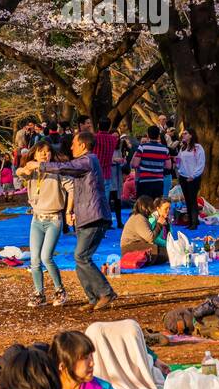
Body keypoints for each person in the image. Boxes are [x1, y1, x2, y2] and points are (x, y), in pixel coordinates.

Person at [32, 130, 116, 310]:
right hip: (86, 217)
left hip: (95, 217)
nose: (71, 147)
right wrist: (71, 212)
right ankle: (93, 298)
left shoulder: (88, 160)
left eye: (74, 144)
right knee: (80, 259)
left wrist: (41, 165)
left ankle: (106, 292)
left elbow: (65, 167)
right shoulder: (85, 162)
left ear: (83, 145)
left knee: (81, 256)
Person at [15, 138, 72, 307]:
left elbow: (72, 189)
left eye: (47, 152)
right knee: (34, 259)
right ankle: (38, 293)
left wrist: (69, 211)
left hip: (54, 219)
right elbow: (19, 172)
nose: (44, 155)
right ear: (35, 153)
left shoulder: (57, 171)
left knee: (46, 257)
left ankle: (60, 289)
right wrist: (27, 167)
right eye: (40, 152)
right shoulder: (32, 171)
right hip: (36, 220)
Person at [120, 196, 168, 263]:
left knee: (164, 252)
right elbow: (150, 238)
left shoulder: (140, 217)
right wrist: (159, 224)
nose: (152, 210)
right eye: (151, 207)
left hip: (133, 246)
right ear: (146, 208)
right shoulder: (139, 218)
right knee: (165, 253)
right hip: (130, 248)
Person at [130, 126, 172, 201]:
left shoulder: (142, 147)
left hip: (145, 181)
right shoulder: (165, 149)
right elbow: (168, 166)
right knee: (156, 205)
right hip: (158, 182)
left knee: (144, 205)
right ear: (158, 136)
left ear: (148, 135)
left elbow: (135, 164)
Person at [175, 127, 205, 229]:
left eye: (186, 133)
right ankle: (190, 221)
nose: (183, 135)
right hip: (183, 177)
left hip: (193, 178)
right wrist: (177, 166)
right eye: (183, 134)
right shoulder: (182, 148)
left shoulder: (198, 147)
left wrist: (194, 175)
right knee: (187, 199)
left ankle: (194, 222)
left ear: (191, 135)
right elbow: (178, 159)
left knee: (193, 199)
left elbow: (200, 163)